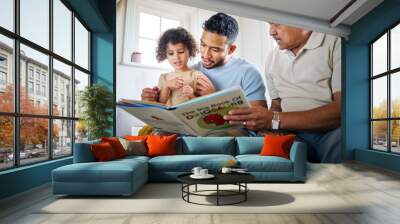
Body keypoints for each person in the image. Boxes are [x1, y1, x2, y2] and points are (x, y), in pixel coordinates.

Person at [224, 24, 342, 163]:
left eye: (277, 24)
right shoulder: (273, 56)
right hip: (289, 132)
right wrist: (267, 126)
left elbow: (341, 111)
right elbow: (276, 106)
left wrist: (273, 120)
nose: (271, 32)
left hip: (329, 132)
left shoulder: (335, 42)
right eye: (269, 25)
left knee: (341, 142)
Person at [141, 12, 267, 108]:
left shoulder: (249, 73)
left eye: (215, 50)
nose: (206, 55)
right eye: (203, 45)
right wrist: (152, 98)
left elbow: (258, 123)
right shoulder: (192, 71)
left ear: (231, 49)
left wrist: (214, 98)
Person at [156, 27, 203, 106]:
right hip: (170, 117)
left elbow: (203, 103)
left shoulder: (196, 75)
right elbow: (161, 103)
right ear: (165, 54)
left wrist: (192, 96)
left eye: (181, 52)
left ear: (190, 50)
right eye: (171, 53)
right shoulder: (164, 78)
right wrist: (167, 86)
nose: (176, 57)